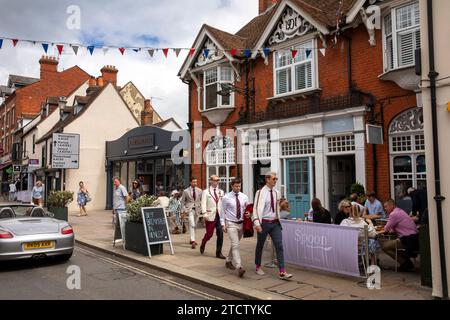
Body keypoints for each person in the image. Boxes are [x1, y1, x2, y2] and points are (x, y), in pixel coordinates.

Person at [252, 172, 293, 280]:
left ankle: (282, 272)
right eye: (274, 179)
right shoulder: (260, 192)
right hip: (263, 223)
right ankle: (257, 266)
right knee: (260, 246)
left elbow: (277, 207)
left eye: (276, 179)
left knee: (279, 246)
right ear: (267, 179)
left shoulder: (276, 192)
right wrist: (257, 223)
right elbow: (255, 209)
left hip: (275, 223)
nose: (275, 181)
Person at [378, 199, 419, 272]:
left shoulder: (394, 214)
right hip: (414, 238)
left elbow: (386, 229)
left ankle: (405, 263)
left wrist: (376, 232)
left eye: (386, 206)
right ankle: (406, 262)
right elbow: (398, 226)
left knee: (384, 246)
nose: (385, 208)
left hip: (408, 239)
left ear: (392, 205)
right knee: (391, 245)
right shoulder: (400, 211)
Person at [220, 178, 249, 278]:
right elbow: (222, 211)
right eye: (236, 186)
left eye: (239, 186)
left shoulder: (244, 197)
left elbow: (247, 209)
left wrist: (249, 214)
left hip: (241, 224)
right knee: (235, 245)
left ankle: (228, 260)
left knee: (234, 244)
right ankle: (239, 267)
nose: (238, 188)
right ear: (232, 186)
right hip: (231, 223)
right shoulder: (226, 198)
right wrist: (223, 224)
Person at [200, 175, 225, 259]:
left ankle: (218, 252)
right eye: (215, 180)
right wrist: (204, 213)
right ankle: (203, 242)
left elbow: (222, 203)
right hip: (210, 215)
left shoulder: (221, 192)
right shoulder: (206, 192)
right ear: (211, 181)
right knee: (209, 234)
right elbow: (203, 203)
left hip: (219, 216)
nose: (217, 182)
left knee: (220, 234)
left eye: (218, 180)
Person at [180, 177, 202, 249]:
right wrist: (182, 211)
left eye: (196, 182)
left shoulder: (200, 190)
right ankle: (193, 241)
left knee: (194, 225)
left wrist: (202, 209)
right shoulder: (186, 191)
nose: (195, 183)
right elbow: (182, 202)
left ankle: (191, 239)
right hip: (189, 210)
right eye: (193, 182)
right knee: (192, 224)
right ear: (190, 182)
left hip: (197, 210)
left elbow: (202, 200)